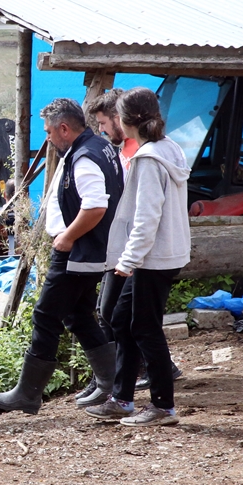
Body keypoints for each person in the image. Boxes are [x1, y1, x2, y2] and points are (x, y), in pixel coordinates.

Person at [0, 99, 122, 415]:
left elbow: (96, 206)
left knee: (46, 315)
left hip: (77, 250)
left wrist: (68, 236)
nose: (47, 138)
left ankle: (28, 394)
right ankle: (111, 383)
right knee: (77, 314)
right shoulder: (97, 147)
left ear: (64, 128)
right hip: (89, 250)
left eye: (49, 132)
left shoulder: (85, 157)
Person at [85, 88, 191, 426]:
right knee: (121, 320)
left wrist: (127, 261)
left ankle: (163, 406)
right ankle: (122, 398)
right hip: (162, 252)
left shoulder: (148, 158)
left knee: (145, 327)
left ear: (127, 120)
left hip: (151, 256)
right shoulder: (168, 148)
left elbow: (147, 217)